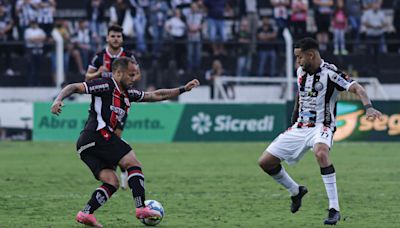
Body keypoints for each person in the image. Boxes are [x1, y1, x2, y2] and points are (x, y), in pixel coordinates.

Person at [51, 56, 200, 227]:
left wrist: (183, 89)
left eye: (135, 74)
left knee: (112, 182)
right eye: (130, 75)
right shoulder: (106, 85)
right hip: (98, 135)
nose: (134, 78)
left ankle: (86, 213)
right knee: (132, 162)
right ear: (118, 73)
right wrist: (58, 99)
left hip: (85, 145)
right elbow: (74, 87)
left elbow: (156, 95)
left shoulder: (129, 93)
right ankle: (140, 208)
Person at [257, 38, 382, 225]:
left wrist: (369, 107)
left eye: (299, 57)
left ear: (311, 55)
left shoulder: (330, 74)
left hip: (322, 126)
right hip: (300, 127)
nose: (297, 61)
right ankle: (296, 191)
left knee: (321, 153)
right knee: (265, 162)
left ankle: (334, 209)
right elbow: (300, 96)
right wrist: (293, 122)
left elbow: (356, 87)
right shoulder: (301, 71)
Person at [85, 24, 136, 190]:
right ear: (107, 38)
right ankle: (117, 170)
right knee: (108, 137)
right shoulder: (99, 57)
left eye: (118, 36)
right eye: (113, 36)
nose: (116, 39)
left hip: (120, 102)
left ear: (122, 39)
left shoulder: (128, 57)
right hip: (104, 102)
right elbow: (87, 77)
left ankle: (121, 171)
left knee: (116, 137)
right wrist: (98, 72)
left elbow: (137, 73)